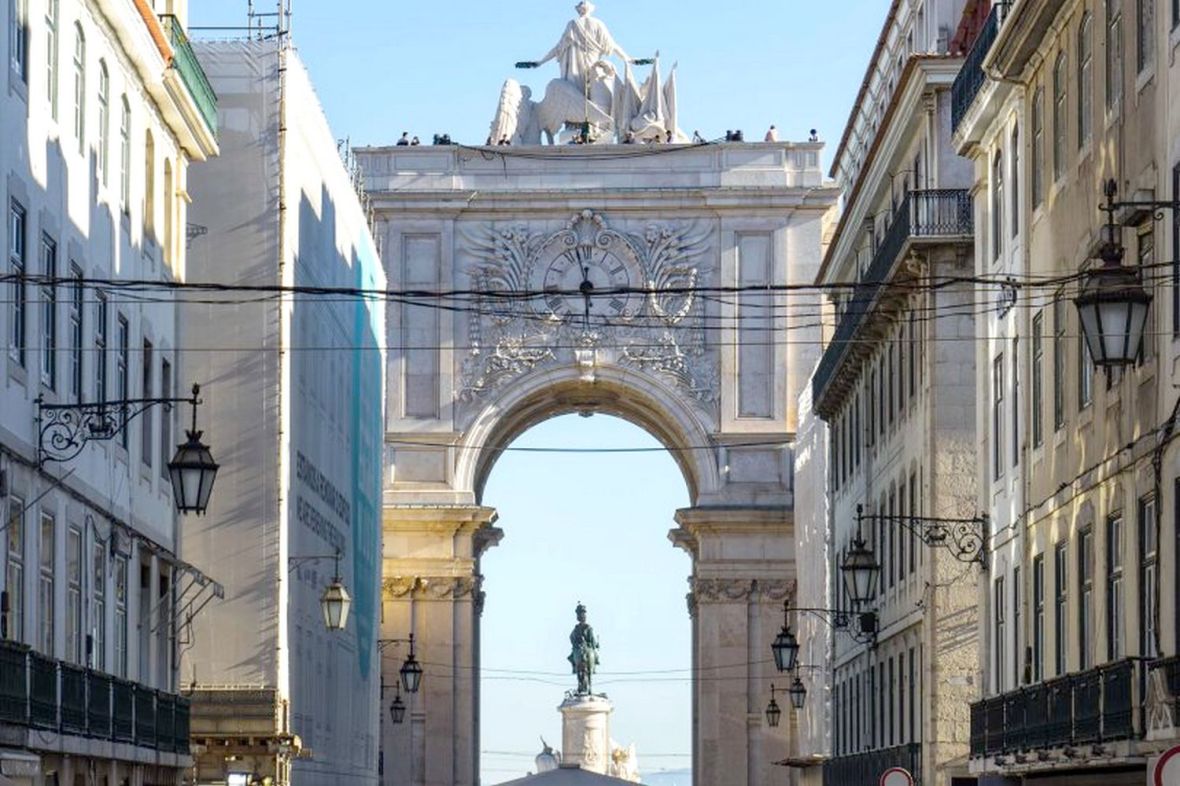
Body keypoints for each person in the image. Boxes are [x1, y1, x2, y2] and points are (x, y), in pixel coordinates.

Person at [535, 2, 631, 92]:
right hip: (590, 65)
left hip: (575, 69)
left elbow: (558, 48)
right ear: (591, 9)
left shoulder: (573, 24)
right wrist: (627, 58)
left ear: (578, 10)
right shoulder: (595, 24)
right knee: (593, 91)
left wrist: (541, 62)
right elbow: (612, 45)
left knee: (577, 93)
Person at [568, 603, 600, 695]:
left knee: (572, 657)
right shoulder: (588, 628)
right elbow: (593, 640)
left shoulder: (577, 628)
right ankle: (594, 665)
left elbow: (571, 637)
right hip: (587, 647)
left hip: (578, 648)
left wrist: (575, 644)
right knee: (596, 655)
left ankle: (575, 667)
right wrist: (595, 645)